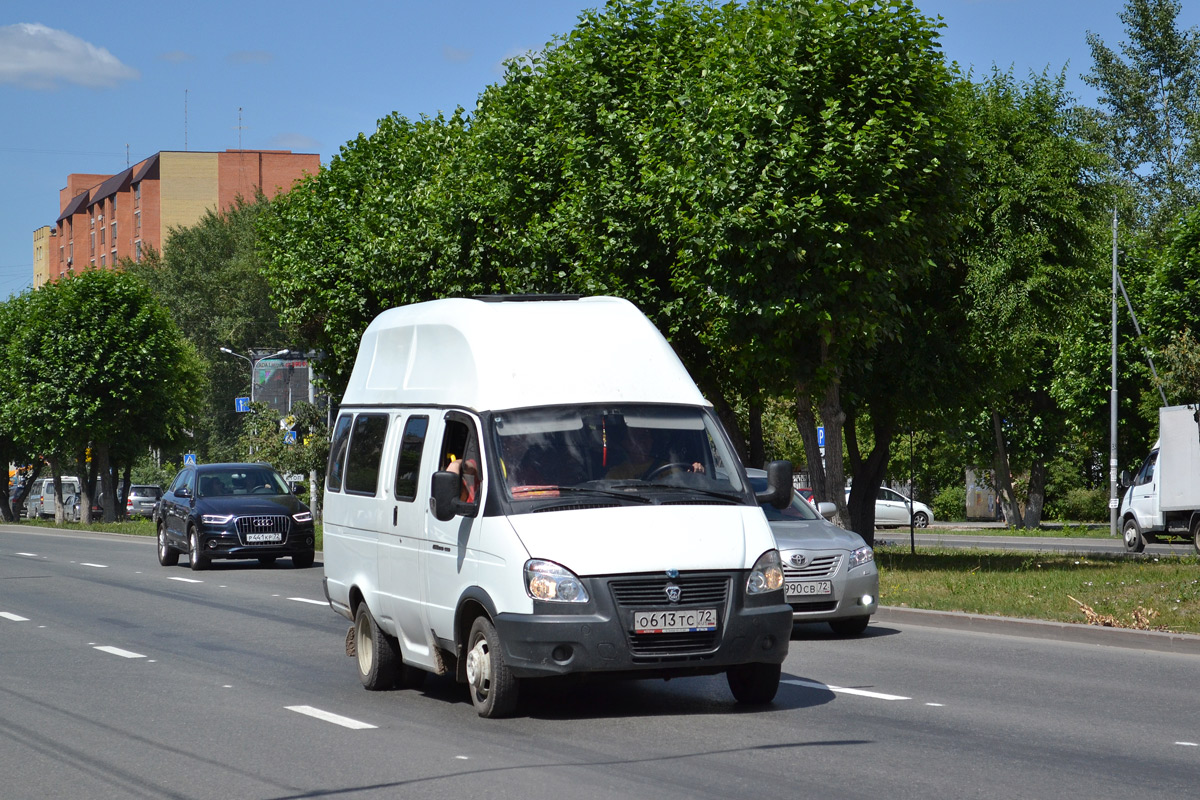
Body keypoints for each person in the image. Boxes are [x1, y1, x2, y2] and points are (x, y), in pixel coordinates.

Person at [605, 426, 704, 480]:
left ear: (652, 440)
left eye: (646, 436)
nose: (643, 442)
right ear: (625, 443)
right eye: (637, 438)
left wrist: (694, 476)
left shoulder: (670, 468)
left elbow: (684, 489)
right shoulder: (616, 475)